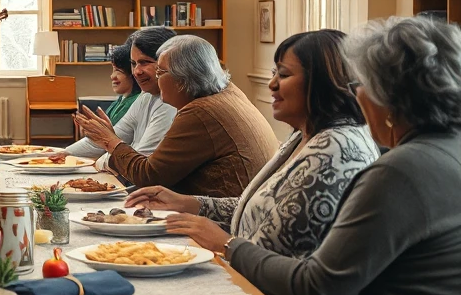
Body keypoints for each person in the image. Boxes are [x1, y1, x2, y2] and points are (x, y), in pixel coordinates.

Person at [204, 17, 461, 295]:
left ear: (388, 95)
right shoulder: (446, 150)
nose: (356, 96)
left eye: (360, 84)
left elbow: (318, 290)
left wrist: (229, 245)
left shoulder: (401, 171)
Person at [126, 30, 379, 263]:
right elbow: (260, 208)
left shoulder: (333, 151)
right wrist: (189, 204)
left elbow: (288, 256)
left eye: (285, 74)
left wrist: (225, 243)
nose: (271, 84)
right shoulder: (306, 134)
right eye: (273, 74)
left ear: (322, 82)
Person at [80, 35, 278, 196]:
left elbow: (149, 175)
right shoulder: (226, 93)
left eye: (160, 72)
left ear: (182, 78)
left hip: (223, 218)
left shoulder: (201, 111)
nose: (155, 78)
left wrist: (110, 141)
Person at [66, 27, 178, 169]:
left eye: (144, 62)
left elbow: (142, 162)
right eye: (133, 64)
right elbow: (106, 141)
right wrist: (59, 155)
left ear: (166, 62)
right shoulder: (146, 96)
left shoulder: (169, 103)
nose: (136, 72)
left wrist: (101, 161)